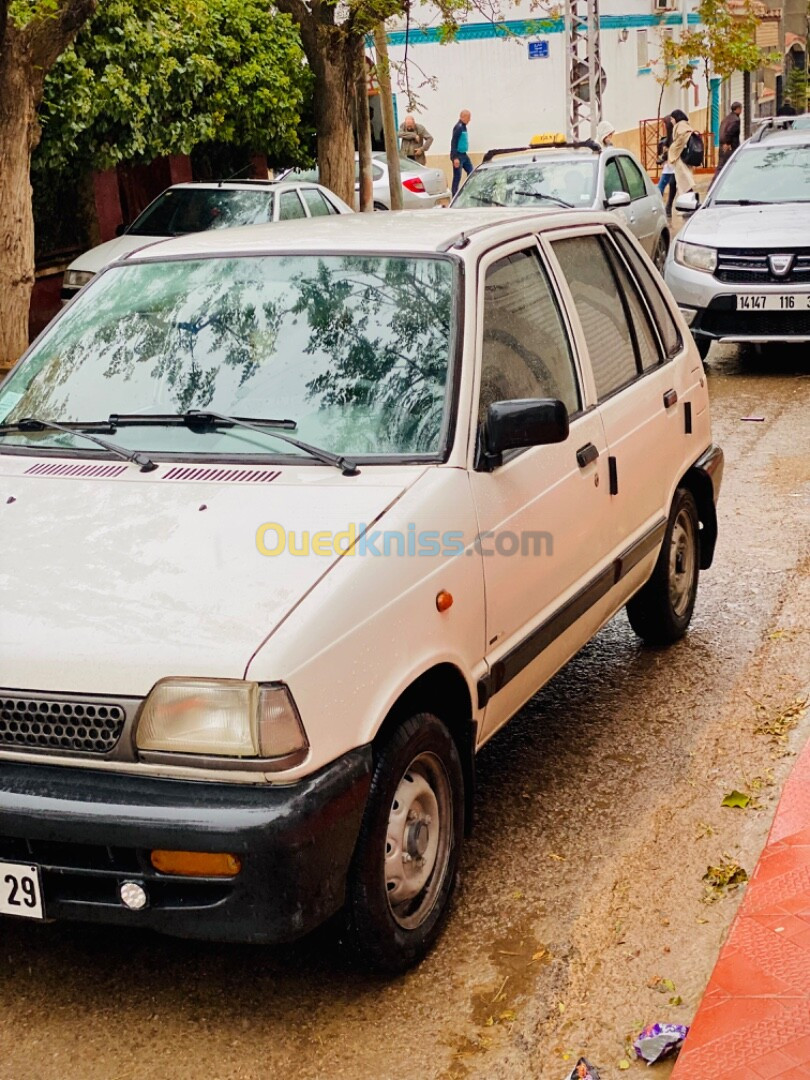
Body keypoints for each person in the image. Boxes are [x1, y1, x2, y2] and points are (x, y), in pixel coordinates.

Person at [668, 109, 695, 196]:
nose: (671, 121)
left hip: (681, 157)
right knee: (680, 181)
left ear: (676, 118)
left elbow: (681, 141)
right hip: (682, 156)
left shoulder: (681, 126)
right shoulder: (683, 125)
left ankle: (689, 201)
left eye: (672, 119)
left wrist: (673, 149)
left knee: (684, 181)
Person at [657, 115, 677, 217]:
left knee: (673, 186)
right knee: (661, 187)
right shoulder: (667, 138)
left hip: (674, 166)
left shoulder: (675, 136)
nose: (663, 126)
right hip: (668, 167)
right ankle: (662, 207)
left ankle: (668, 206)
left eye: (664, 124)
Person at [450, 110, 473, 197]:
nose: (469, 120)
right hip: (458, 155)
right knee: (457, 177)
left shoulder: (464, 127)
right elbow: (454, 142)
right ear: (463, 117)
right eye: (468, 118)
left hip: (464, 154)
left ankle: (467, 191)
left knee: (471, 172)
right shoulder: (458, 127)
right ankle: (454, 195)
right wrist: (455, 157)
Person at [718, 102, 742, 170]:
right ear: (738, 109)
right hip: (730, 146)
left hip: (722, 144)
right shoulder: (736, 120)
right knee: (730, 166)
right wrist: (727, 143)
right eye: (740, 108)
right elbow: (730, 132)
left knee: (722, 166)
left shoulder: (726, 119)